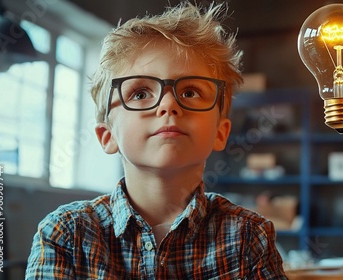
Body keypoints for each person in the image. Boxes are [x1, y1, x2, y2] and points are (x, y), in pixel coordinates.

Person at [25, 1, 287, 279]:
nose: (169, 105)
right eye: (140, 93)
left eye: (190, 92)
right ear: (108, 135)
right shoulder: (66, 234)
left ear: (220, 132)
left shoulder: (248, 236)